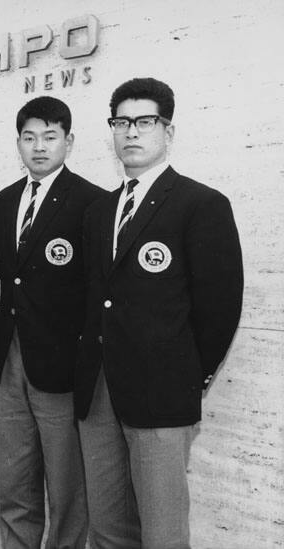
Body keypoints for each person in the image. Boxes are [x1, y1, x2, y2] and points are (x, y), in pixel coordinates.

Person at [75, 77, 243, 548]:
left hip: (161, 392)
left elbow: (220, 306)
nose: (131, 132)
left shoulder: (200, 204)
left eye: (144, 121)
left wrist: (190, 376)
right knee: (107, 528)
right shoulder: (98, 212)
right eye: (121, 122)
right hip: (99, 391)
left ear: (168, 131)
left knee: (163, 530)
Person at [0, 96, 104, 548]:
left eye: (50, 137)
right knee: (14, 482)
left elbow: (97, 291)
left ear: (68, 141)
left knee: (66, 488)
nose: (39, 146)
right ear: (18, 142)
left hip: (61, 365)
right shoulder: (3, 201)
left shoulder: (92, 202)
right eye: (30, 137)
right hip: (10, 360)